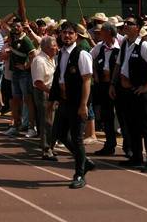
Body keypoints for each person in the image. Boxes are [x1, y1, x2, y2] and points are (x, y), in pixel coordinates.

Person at [112, 15, 147, 171]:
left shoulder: (144, 46)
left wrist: (146, 86)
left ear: (138, 27)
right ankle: (136, 157)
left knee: (146, 127)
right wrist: (113, 85)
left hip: (140, 93)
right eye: (125, 23)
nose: (126, 25)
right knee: (131, 125)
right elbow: (118, 66)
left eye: (130, 23)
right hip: (126, 93)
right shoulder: (124, 44)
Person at [56, 21, 93, 188]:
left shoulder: (82, 54)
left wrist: (83, 105)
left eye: (70, 33)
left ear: (76, 36)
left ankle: (80, 173)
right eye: (64, 33)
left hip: (77, 102)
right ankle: (84, 160)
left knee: (77, 138)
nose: (67, 36)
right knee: (61, 134)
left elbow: (87, 80)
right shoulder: (61, 53)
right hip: (64, 101)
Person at [90, 22, 120, 156]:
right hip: (103, 86)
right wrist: (95, 73)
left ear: (108, 33)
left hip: (118, 87)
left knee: (122, 116)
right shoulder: (99, 47)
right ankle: (109, 145)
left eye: (101, 31)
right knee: (106, 116)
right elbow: (88, 58)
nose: (99, 34)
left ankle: (129, 147)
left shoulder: (121, 47)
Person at [6, 19, 37, 138]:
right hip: (15, 73)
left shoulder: (26, 40)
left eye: (17, 26)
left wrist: (26, 66)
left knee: (28, 100)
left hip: (24, 74)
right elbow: (5, 24)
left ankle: (31, 127)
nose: (15, 28)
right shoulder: (13, 38)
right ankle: (15, 125)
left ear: (22, 28)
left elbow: (33, 55)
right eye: (14, 26)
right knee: (15, 99)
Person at [31, 35, 58, 159]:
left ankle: (50, 146)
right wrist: (51, 92)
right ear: (46, 47)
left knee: (51, 121)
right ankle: (46, 149)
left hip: (50, 92)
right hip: (43, 93)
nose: (56, 48)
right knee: (46, 121)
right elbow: (38, 82)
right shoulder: (39, 61)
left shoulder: (51, 58)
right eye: (54, 46)